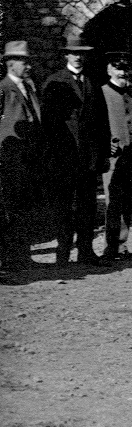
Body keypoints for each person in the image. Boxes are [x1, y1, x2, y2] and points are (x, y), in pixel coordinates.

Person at [42, 33, 110, 268]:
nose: (78, 57)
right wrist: (52, 156)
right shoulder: (54, 82)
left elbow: (103, 122)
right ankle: (62, 253)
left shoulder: (92, 82)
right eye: (73, 53)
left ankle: (86, 251)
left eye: (81, 54)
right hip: (64, 157)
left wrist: (103, 155)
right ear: (65, 55)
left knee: (87, 205)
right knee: (63, 206)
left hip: (88, 158)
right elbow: (49, 124)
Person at [100, 53, 132, 262]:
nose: (122, 72)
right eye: (117, 68)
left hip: (131, 156)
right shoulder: (101, 93)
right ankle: (110, 247)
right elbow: (95, 125)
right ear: (109, 69)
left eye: (125, 68)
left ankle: (121, 244)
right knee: (113, 201)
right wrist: (104, 145)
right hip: (113, 158)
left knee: (127, 201)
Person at [0, 40, 42, 271]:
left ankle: (23, 255)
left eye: (28, 61)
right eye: (23, 61)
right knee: (10, 208)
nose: (28, 66)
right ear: (10, 63)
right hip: (10, 158)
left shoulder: (30, 87)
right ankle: (10, 257)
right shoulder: (3, 88)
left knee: (26, 207)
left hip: (30, 159)